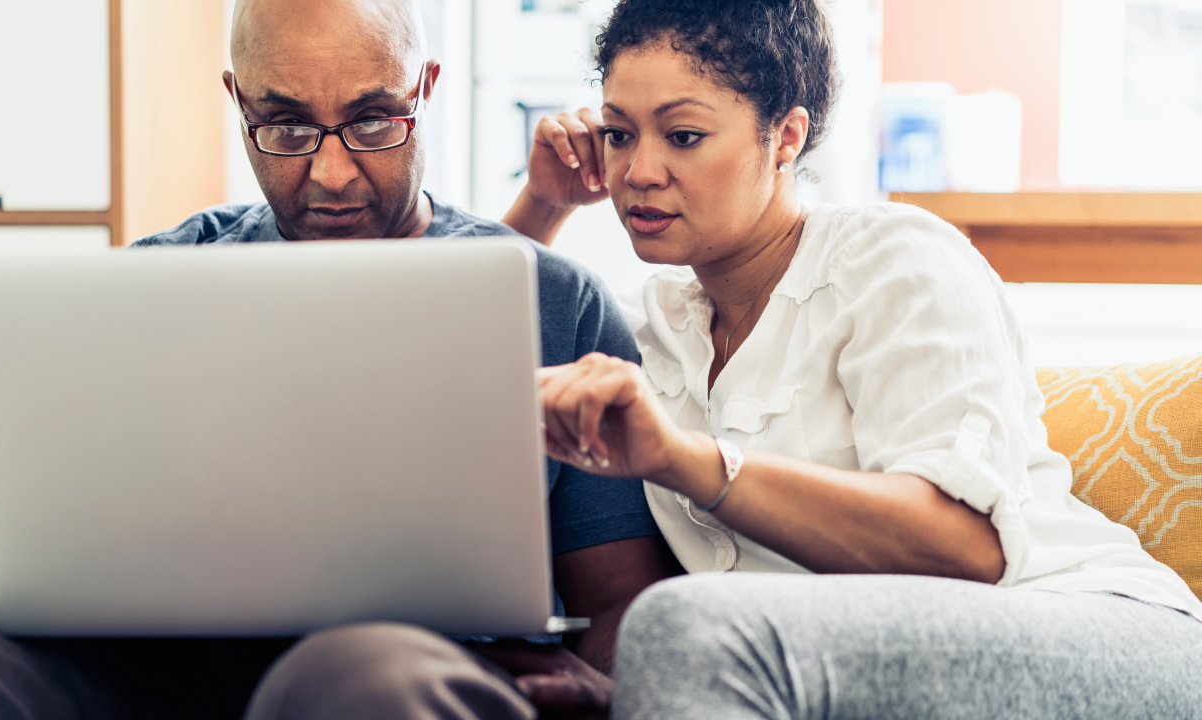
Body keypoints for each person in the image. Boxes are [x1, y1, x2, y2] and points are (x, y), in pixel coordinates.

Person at [0, 0, 680, 717]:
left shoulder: (557, 302)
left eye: (373, 120)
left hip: (410, 676)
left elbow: (617, 597)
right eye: (284, 127)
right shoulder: (152, 281)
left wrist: (604, 689)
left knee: (352, 680)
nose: (332, 175)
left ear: (427, 90)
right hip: (150, 673)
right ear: (239, 103)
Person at [504, 0, 1202, 717]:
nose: (638, 171)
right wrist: (543, 204)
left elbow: (967, 547)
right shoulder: (658, 323)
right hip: (834, 660)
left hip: (1086, 624)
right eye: (618, 134)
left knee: (686, 622)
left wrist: (683, 456)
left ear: (786, 136)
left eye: (684, 135)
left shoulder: (894, 257)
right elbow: (495, 341)